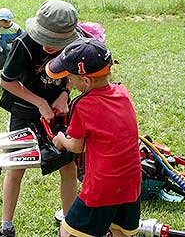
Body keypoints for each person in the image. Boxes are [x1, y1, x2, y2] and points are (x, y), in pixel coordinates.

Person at [0, 0, 82, 237]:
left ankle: (70, 222)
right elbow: (6, 81)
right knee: (16, 167)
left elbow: (73, 73)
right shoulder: (23, 43)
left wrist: (64, 93)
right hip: (24, 108)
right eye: (46, 40)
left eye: (56, 42)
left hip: (58, 110)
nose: (50, 47)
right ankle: (6, 226)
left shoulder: (76, 43)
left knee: (68, 167)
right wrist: (40, 102)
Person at [45, 38, 142, 237]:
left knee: (68, 231)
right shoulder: (123, 92)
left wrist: (61, 138)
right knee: (119, 230)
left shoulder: (82, 105)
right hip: (131, 181)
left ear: (86, 81)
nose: (69, 82)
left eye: (70, 78)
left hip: (102, 186)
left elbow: (77, 146)